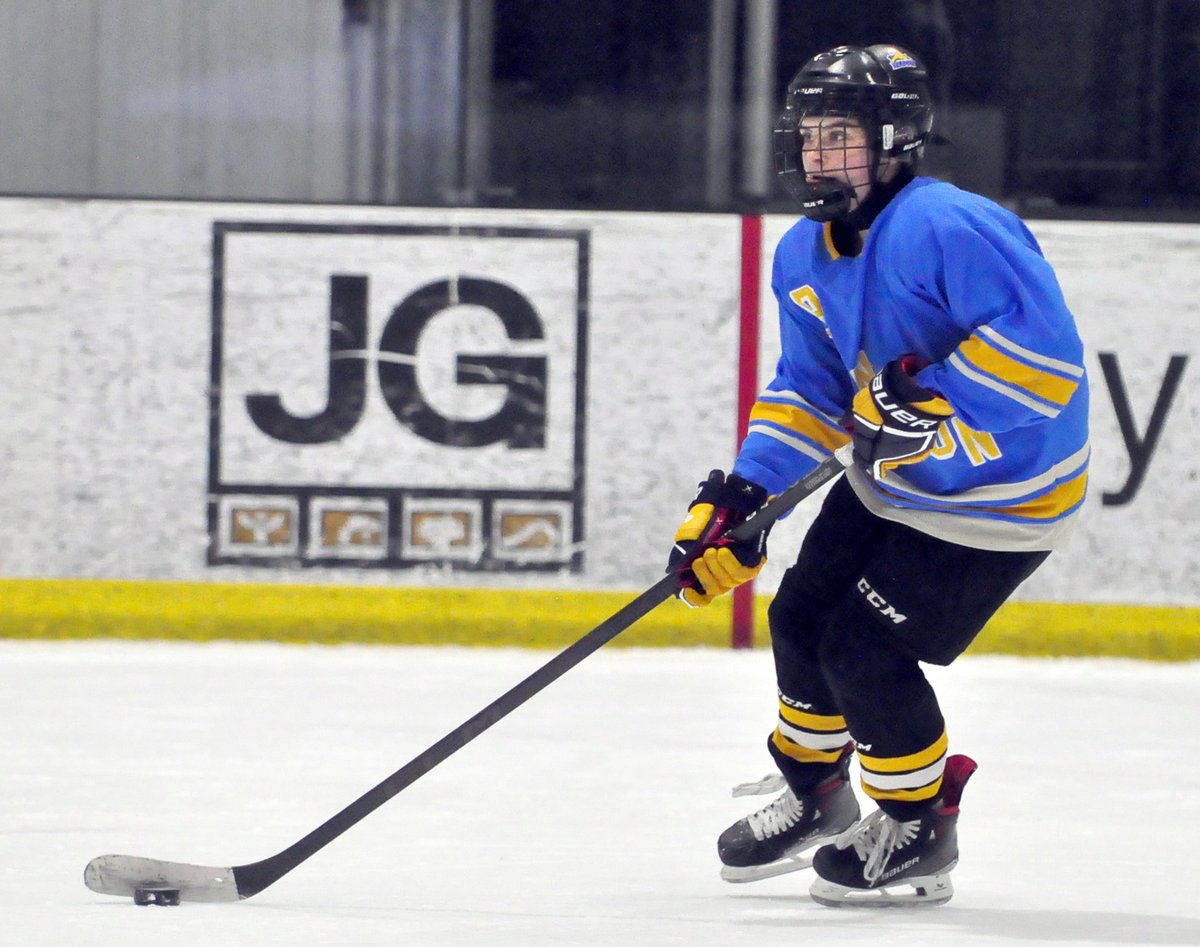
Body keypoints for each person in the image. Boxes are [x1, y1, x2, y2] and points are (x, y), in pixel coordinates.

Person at [667, 43, 1089, 907]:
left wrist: (926, 400)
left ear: (894, 137)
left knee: (865, 648)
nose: (817, 155)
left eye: (838, 136)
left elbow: (1044, 366)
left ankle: (919, 824)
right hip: (892, 483)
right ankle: (819, 795)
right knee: (799, 616)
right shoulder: (804, 250)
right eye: (809, 136)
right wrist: (742, 498)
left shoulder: (949, 225)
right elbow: (810, 391)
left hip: (997, 500)